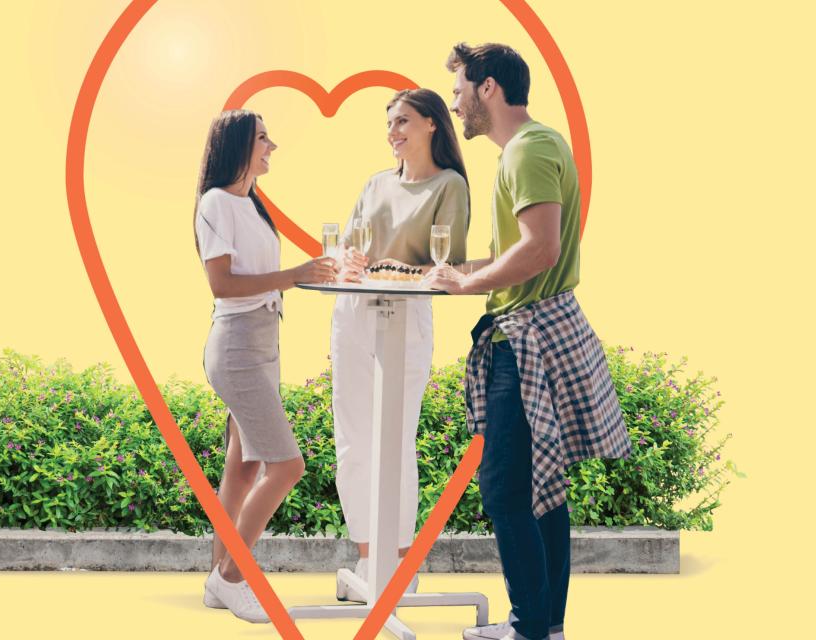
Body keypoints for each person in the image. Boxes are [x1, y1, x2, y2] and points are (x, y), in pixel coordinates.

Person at [425, 44, 631, 640]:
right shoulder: (531, 147)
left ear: (488, 89)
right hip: (535, 326)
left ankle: (531, 628)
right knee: (541, 485)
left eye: (461, 89)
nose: (457, 103)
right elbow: (521, 252)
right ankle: (544, 625)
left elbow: (541, 249)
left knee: (506, 485)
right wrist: (457, 272)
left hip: (529, 335)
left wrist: (467, 285)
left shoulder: (529, 149)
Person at [194, 109, 339, 623]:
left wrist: (303, 276)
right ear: (237, 145)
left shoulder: (250, 204)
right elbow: (223, 284)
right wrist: (295, 275)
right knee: (287, 465)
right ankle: (233, 577)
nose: (272, 146)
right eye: (262, 138)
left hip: (262, 343)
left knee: (246, 464)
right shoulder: (216, 203)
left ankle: (216, 580)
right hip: (236, 347)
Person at [331, 88, 470, 601]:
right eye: (389, 124)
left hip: (406, 316)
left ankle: (401, 564)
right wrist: (351, 263)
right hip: (352, 314)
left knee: (395, 440)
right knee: (351, 441)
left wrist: (388, 268)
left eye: (403, 122)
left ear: (432, 124)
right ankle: (369, 561)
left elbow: (444, 266)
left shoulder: (448, 185)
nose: (393, 133)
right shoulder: (374, 184)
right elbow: (351, 250)